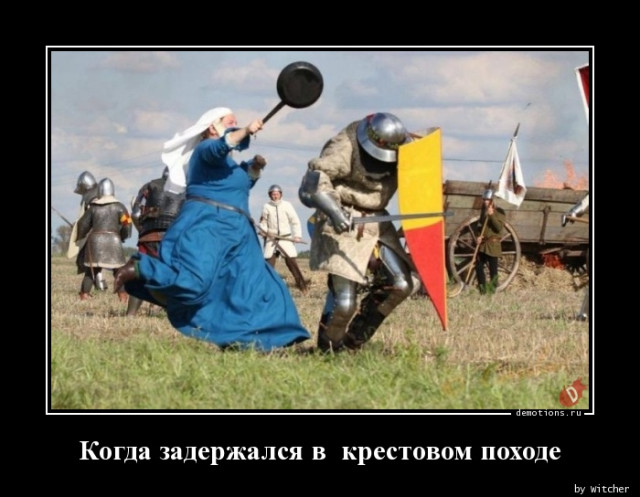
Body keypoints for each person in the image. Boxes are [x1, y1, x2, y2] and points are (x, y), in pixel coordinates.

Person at [114, 107, 310, 351]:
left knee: (258, 286)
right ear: (212, 127)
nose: (235, 123)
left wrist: (254, 168)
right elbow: (220, 147)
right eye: (230, 121)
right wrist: (246, 130)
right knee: (194, 284)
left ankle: (253, 340)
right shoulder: (204, 150)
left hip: (240, 234)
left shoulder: (228, 165)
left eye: (236, 121)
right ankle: (141, 268)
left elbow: (239, 183)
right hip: (208, 226)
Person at [299, 112, 418, 352]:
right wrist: (334, 210)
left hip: (378, 221)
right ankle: (329, 349)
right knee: (345, 303)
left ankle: (354, 341)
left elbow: (423, 171)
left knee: (402, 284)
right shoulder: (346, 142)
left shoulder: (406, 147)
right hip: (344, 218)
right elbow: (314, 180)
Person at [126, 166, 185, 316]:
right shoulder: (188, 191)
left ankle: (131, 314)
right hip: (175, 240)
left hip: (149, 237)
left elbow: (135, 214)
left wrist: (143, 231)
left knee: (141, 273)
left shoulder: (149, 186)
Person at [76, 178, 132, 302]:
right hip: (114, 241)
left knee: (91, 270)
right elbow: (127, 224)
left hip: (95, 242)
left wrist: (80, 236)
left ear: (100, 191)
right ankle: (123, 296)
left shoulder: (93, 207)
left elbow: (83, 224)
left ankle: (84, 295)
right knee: (118, 271)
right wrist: (122, 237)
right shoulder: (120, 207)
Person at [258, 184, 308, 292]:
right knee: (268, 265)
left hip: (285, 239)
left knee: (292, 264)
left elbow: (295, 221)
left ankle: (303, 287)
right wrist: (264, 231)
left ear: (280, 194)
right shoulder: (266, 206)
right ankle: (266, 289)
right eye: (273, 194)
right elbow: (263, 222)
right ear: (270, 195)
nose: (275, 196)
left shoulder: (287, 205)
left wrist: (297, 236)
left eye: (277, 194)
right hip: (272, 239)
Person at [68, 171, 100, 300]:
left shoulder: (93, 197)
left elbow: (92, 218)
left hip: (93, 234)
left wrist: (81, 228)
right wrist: (78, 225)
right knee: (88, 262)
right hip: (97, 233)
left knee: (89, 263)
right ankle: (96, 286)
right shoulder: (97, 194)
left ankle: (86, 292)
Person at [474, 188, 506, 294]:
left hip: (493, 245)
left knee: (493, 270)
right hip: (483, 245)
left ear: (492, 200)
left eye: (487, 200)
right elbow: (480, 228)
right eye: (484, 200)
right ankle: (482, 290)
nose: (485, 202)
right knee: (478, 266)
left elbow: (498, 227)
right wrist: (478, 237)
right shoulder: (484, 213)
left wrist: (492, 215)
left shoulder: (500, 212)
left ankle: (492, 291)